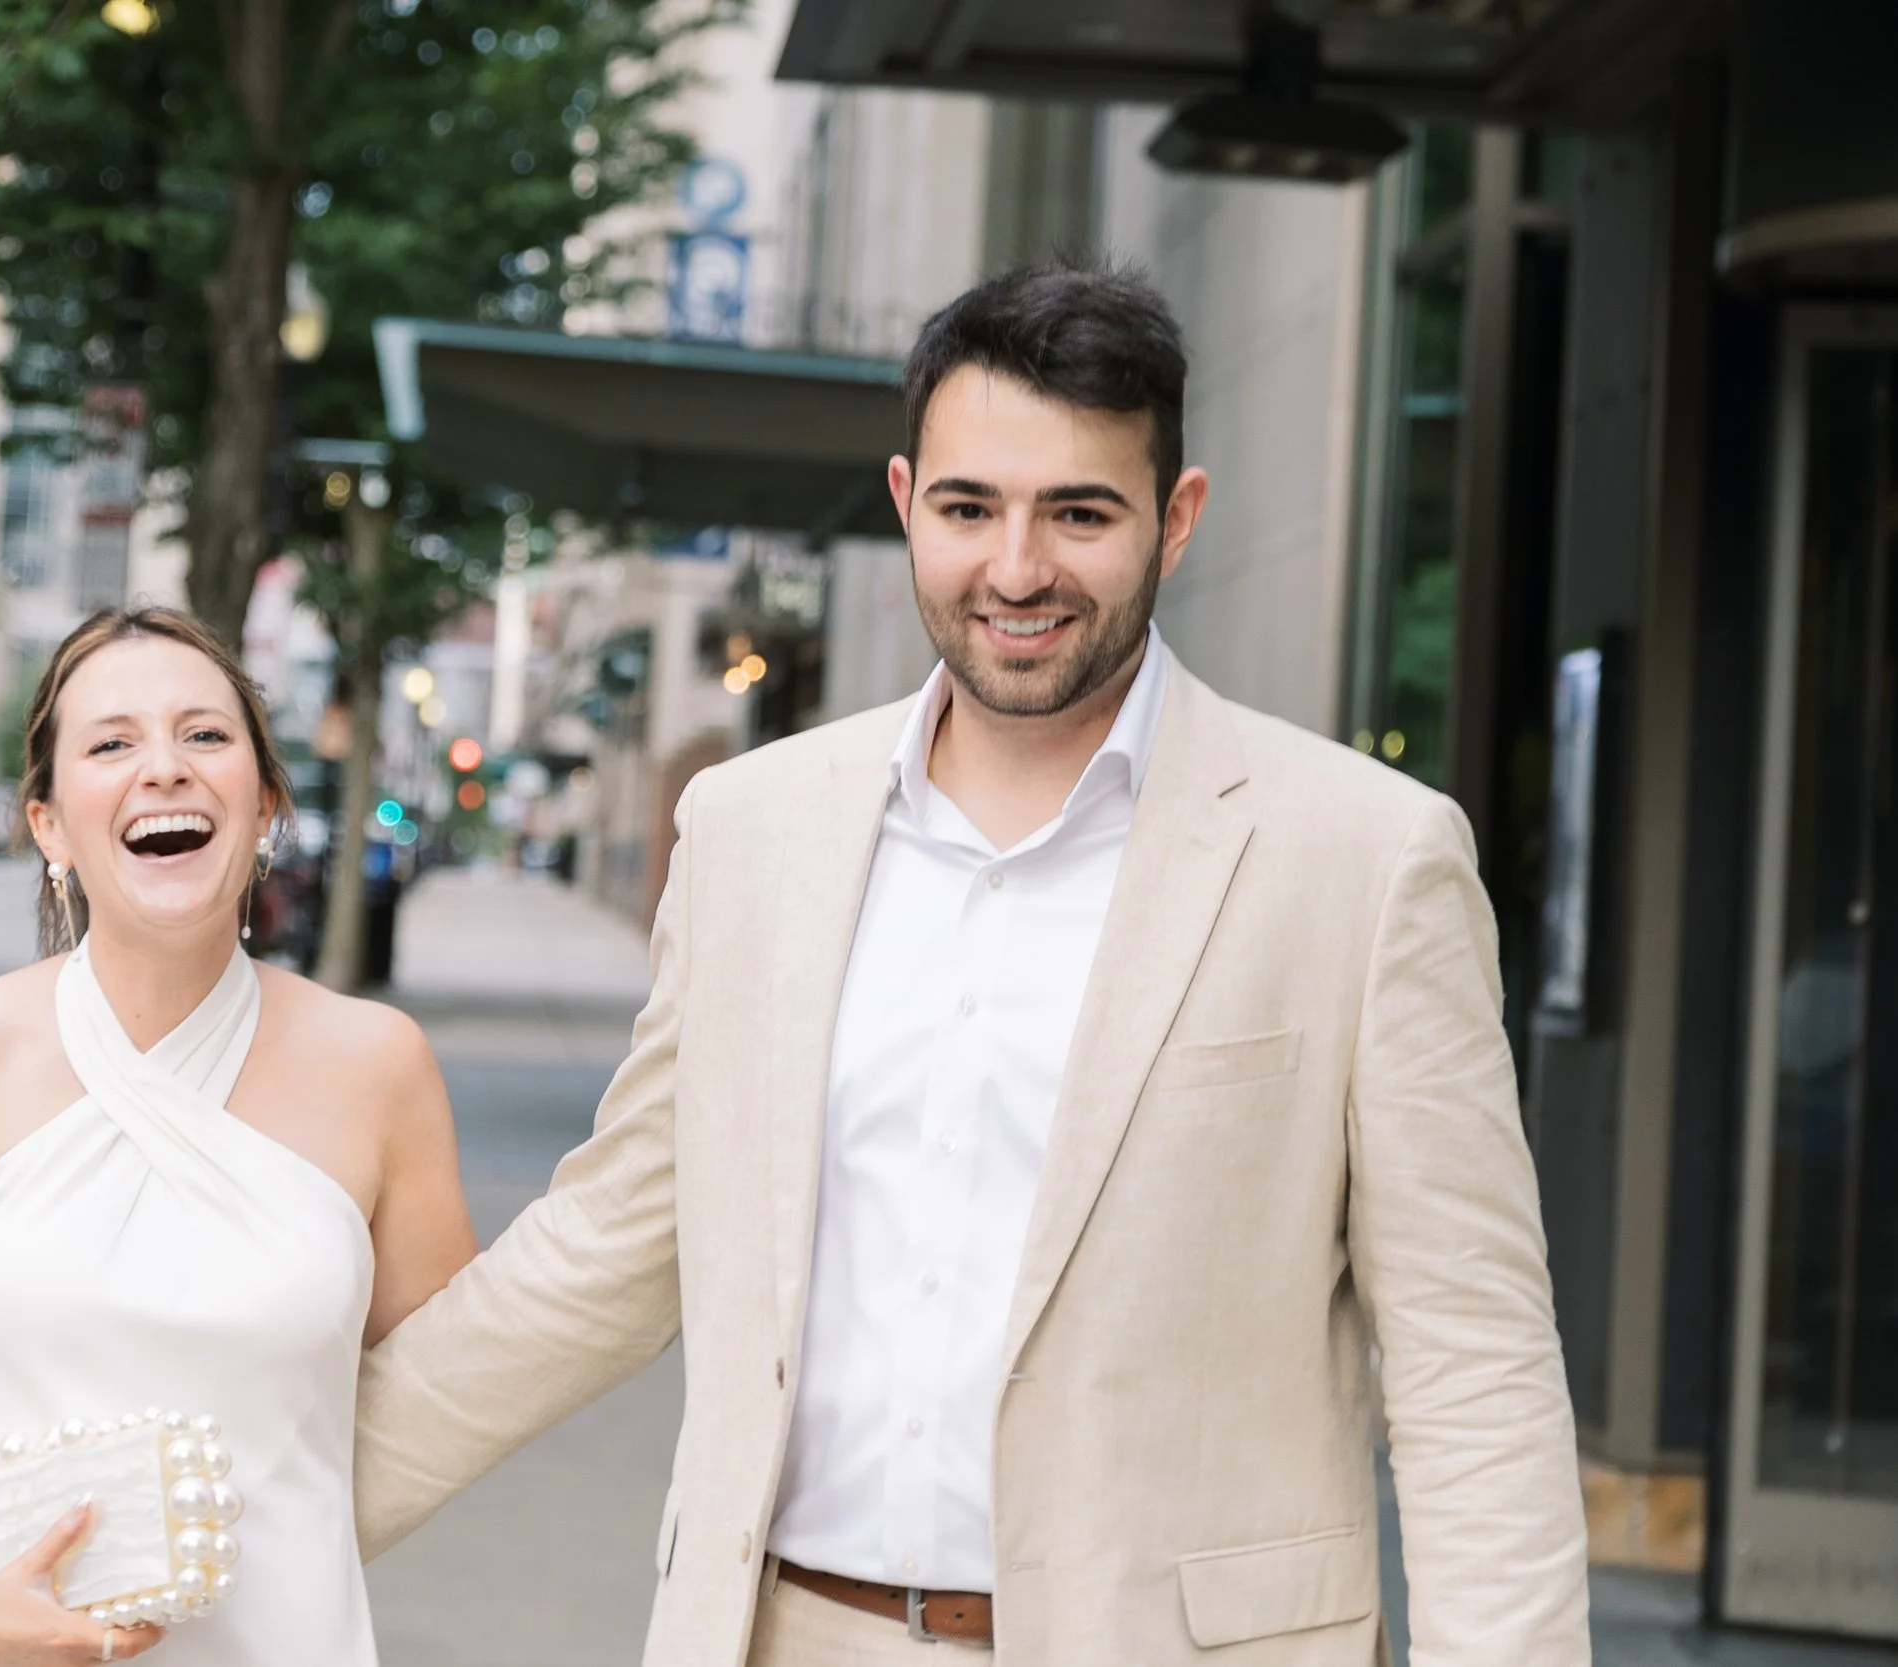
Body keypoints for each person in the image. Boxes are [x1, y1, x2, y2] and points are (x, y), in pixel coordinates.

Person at [350, 262, 1591, 1665]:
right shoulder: (754, 830)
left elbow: (1473, 1368)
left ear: (1175, 520)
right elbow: (609, 1248)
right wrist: (247, 1528)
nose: (1017, 568)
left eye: (1079, 511)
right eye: (968, 508)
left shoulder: (1367, 858)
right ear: (904, 503)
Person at [0, 607, 476, 1667]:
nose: (163, 768)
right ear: (48, 824)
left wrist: (280, 1538)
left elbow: (454, 1390)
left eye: (205, 735)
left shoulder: (378, 1067)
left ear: (264, 804)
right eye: (112, 742)